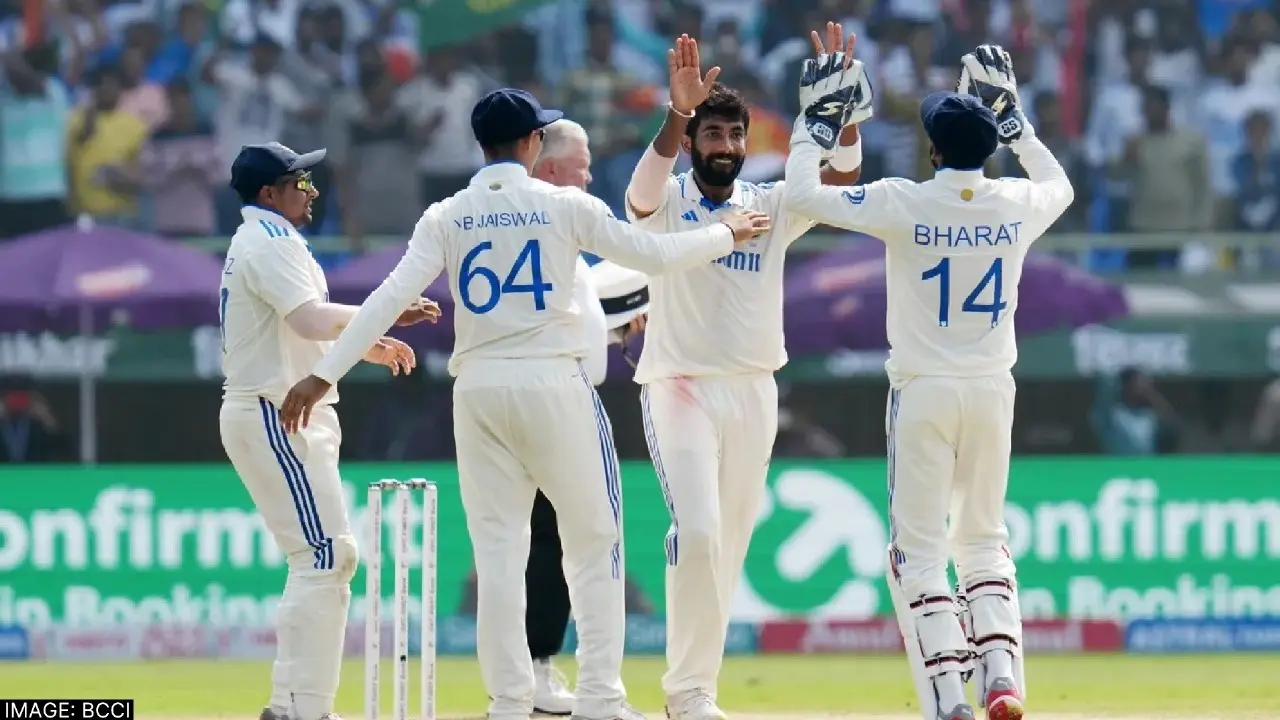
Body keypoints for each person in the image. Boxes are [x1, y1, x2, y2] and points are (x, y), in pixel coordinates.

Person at [278, 89, 769, 720]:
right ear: (534, 144)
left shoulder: (447, 214)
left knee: (499, 557)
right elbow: (653, 255)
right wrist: (725, 231)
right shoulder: (563, 203)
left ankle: (509, 703)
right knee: (596, 545)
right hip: (554, 384)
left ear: (484, 144)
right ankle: (600, 698)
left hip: (478, 389)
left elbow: (385, 298)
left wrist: (323, 374)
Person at [781, 45, 1073, 720]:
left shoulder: (901, 202)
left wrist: (814, 127)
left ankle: (950, 698)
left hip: (922, 391)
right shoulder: (1015, 202)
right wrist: (1019, 125)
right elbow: (1062, 185)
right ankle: (1002, 678)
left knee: (918, 553)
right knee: (983, 542)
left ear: (934, 154)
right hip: (993, 390)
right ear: (988, 149)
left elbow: (801, 196)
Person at [620, 26, 862, 720]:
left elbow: (840, 183)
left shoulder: (772, 204)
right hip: (680, 386)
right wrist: (675, 112)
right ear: (694, 143)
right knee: (696, 533)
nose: (725, 147)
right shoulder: (670, 202)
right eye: (712, 135)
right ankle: (685, 689)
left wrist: (839, 109)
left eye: (734, 136)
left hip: (754, 388)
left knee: (725, 548)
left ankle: (695, 693)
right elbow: (636, 199)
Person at [216, 142, 440, 720]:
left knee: (321, 560)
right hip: (273, 409)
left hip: (281, 408)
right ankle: (302, 708)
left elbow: (300, 329)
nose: (312, 191)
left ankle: (292, 705)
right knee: (325, 557)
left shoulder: (273, 240)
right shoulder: (267, 242)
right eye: (300, 182)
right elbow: (309, 319)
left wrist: (366, 344)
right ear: (269, 193)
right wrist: (381, 312)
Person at [522, 118, 653, 715]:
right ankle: (592, 689)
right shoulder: (552, 219)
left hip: (501, 400)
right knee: (590, 542)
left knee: (538, 546)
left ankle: (529, 678)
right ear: (550, 169)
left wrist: (620, 323)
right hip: (558, 401)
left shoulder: (534, 226)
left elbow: (576, 317)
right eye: (583, 163)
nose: (591, 174)